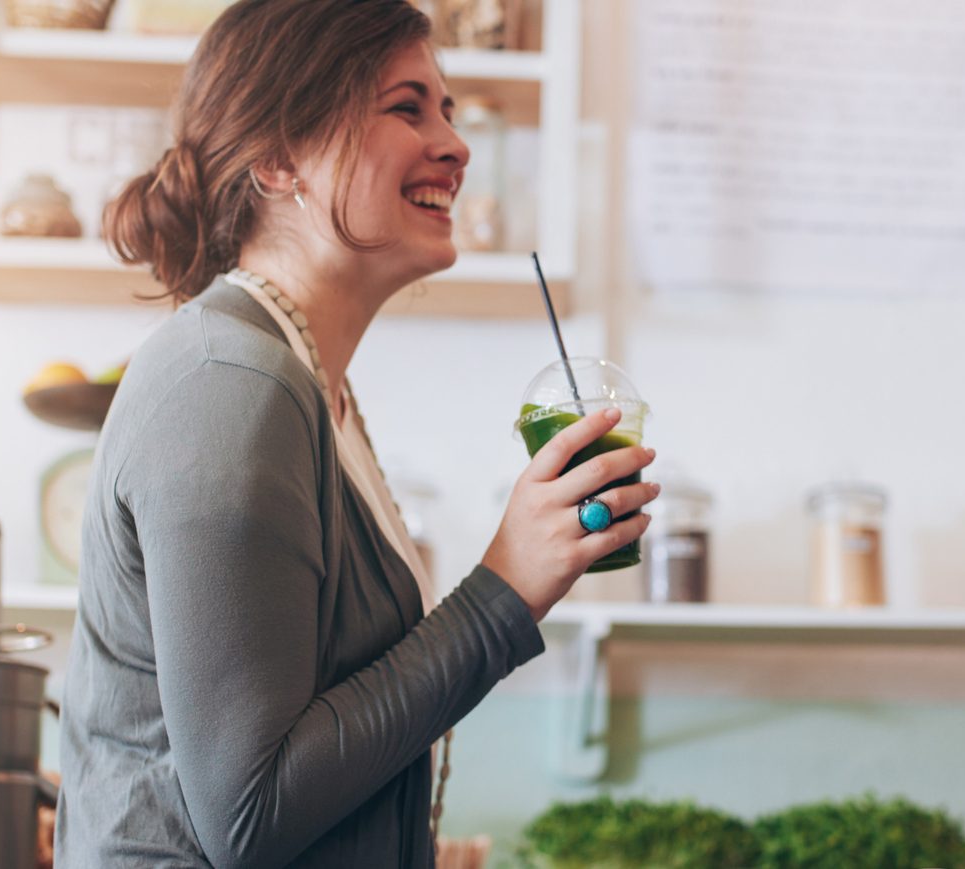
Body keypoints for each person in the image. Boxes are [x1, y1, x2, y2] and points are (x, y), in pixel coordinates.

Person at [52, 1, 658, 866]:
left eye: (447, 110)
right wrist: (504, 589)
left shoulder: (306, 384)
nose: (454, 145)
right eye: (407, 107)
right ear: (277, 158)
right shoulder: (230, 382)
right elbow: (249, 813)